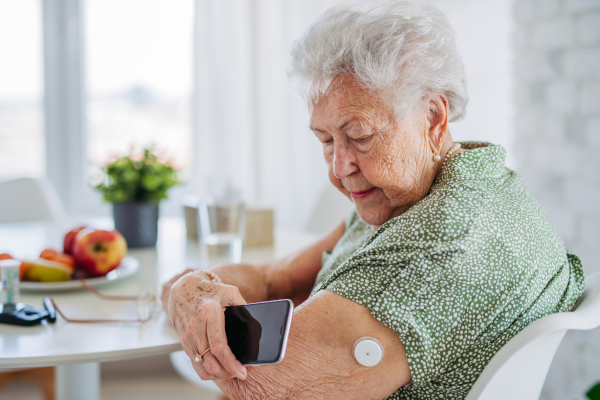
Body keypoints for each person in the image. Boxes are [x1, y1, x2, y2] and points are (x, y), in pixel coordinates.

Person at [161, 2, 585, 399]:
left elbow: (265, 386)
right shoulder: (428, 190)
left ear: (433, 118)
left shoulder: (443, 240)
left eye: (360, 136)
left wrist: (191, 300)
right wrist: (196, 291)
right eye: (325, 140)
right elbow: (276, 280)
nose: (339, 166)